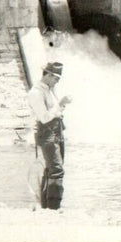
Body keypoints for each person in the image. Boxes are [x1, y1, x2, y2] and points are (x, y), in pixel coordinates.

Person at [27, 61, 71, 209]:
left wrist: (62, 105)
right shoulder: (35, 92)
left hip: (57, 130)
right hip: (46, 133)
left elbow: (55, 112)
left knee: (52, 169)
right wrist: (61, 104)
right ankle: (54, 207)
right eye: (56, 78)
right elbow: (44, 117)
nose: (57, 82)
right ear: (48, 75)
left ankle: (47, 205)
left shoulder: (49, 89)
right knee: (56, 169)